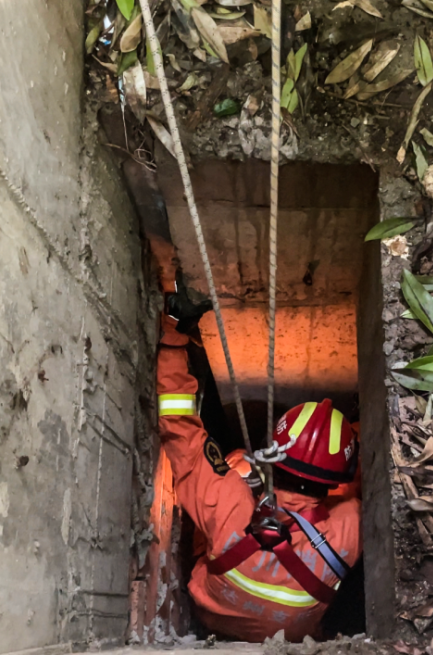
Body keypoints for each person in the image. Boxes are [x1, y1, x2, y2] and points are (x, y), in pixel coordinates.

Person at [155, 250, 362, 643]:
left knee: (228, 462)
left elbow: (179, 427)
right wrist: (352, 429)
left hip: (212, 618)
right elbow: (364, 477)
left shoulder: (228, 501)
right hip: (294, 641)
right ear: (339, 479)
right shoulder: (350, 526)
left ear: (274, 449)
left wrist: (173, 334)